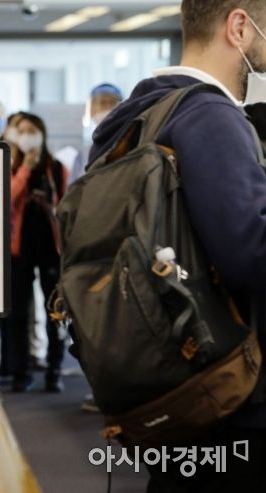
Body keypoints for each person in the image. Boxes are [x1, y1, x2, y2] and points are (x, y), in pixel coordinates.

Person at [91, 1, 266, 490]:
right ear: (239, 27)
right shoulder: (210, 116)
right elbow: (251, 251)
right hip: (229, 396)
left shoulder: (138, 115)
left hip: (169, 380)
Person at [6, 112, 67, 393]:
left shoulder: (55, 168)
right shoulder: (11, 166)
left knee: (54, 310)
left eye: (33, 129)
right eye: (23, 130)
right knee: (19, 311)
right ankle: (22, 370)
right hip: (19, 249)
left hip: (49, 248)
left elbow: (65, 206)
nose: (28, 135)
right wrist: (26, 168)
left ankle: (54, 369)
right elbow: (7, 199)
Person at [69, 83, 123, 184]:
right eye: (102, 103)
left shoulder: (130, 143)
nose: (108, 108)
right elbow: (72, 192)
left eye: (112, 103)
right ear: (91, 109)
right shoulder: (84, 155)